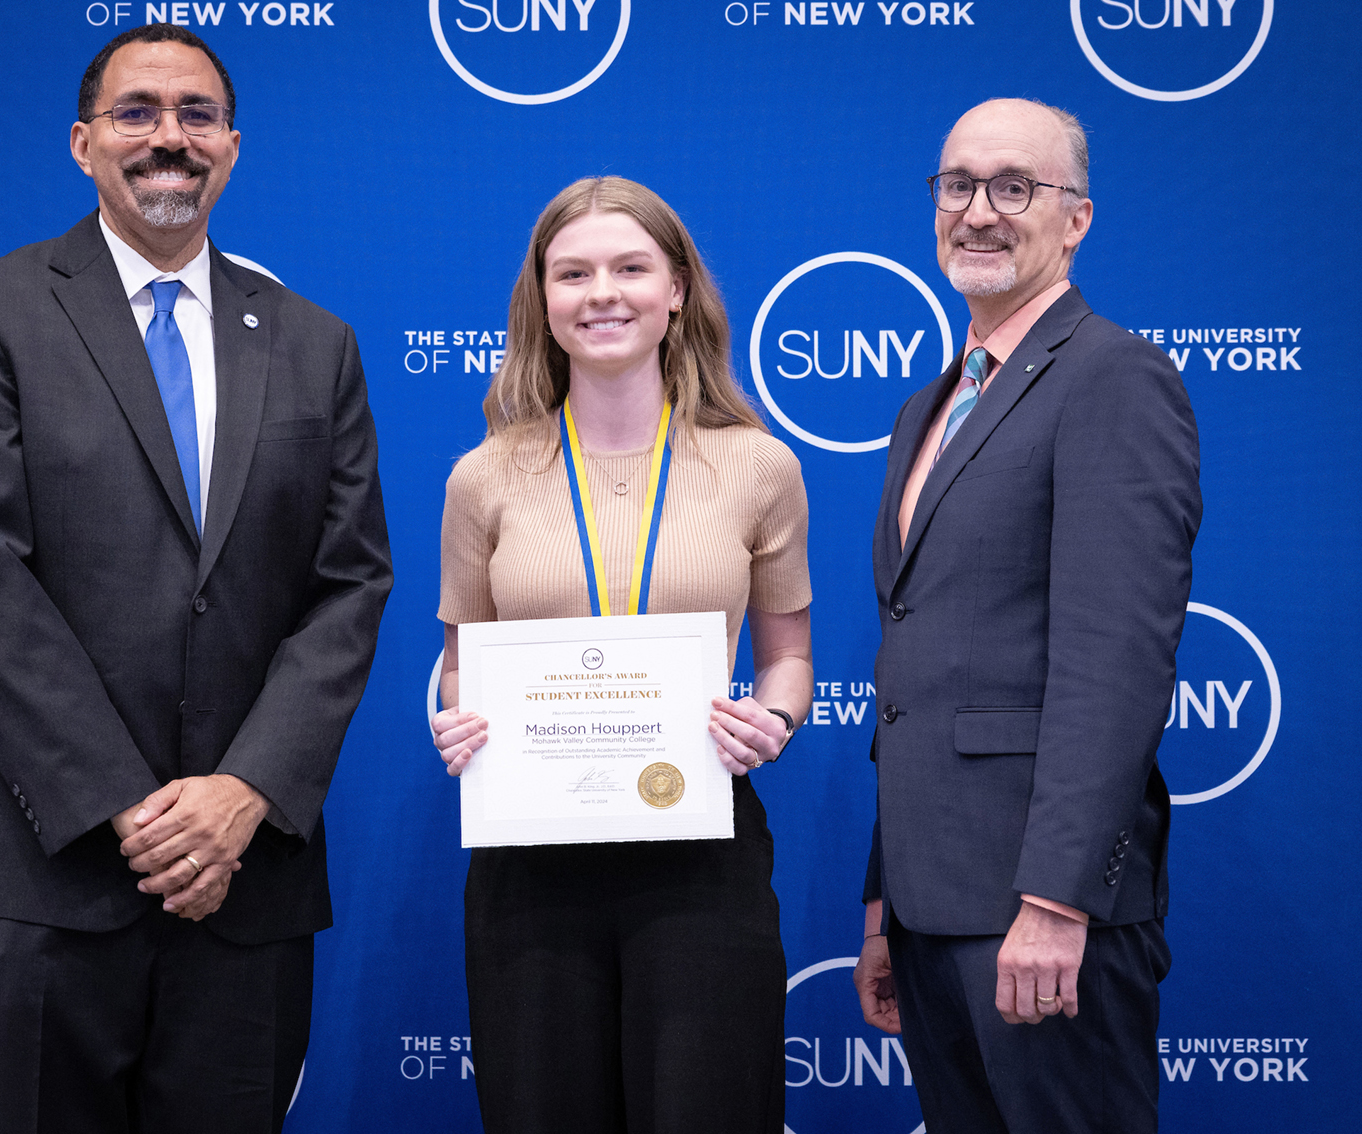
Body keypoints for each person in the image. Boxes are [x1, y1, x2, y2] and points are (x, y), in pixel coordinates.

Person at [0, 24, 392, 1132]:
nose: (169, 137)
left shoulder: (316, 342)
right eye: (137, 113)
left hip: (243, 879)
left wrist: (242, 794)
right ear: (83, 144)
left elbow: (349, 583)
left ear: (231, 146)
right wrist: (128, 808)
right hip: (40, 867)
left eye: (196, 115)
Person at [428, 176, 813, 1133]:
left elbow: (790, 658)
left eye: (630, 267)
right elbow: (461, 660)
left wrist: (773, 718)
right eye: (574, 273)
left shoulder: (759, 465)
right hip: (530, 862)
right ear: (542, 299)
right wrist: (455, 715)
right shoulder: (483, 478)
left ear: (676, 288)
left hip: (700, 856)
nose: (603, 292)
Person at [851, 98, 1202, 1132]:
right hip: (931, 910)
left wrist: (1054, 903)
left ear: (1075, 217)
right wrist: (885, 905)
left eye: (1014, 187)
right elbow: (917, 672)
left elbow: (1114, 665)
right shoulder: (926, 407)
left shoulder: (1112, 379)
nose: (978, 211)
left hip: (1039, 918)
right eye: (957, 184)